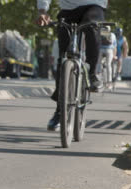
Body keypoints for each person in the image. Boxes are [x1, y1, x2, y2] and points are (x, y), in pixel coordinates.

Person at [36, 0, 108, 131]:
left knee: (91, 27)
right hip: (68, 10)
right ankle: (60, 111)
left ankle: (92, 74)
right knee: (63, 57)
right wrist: (43, 11)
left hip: (93, 6)